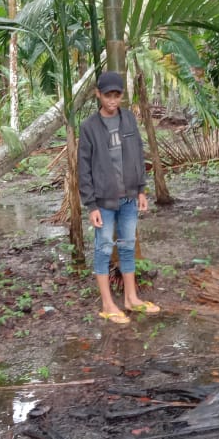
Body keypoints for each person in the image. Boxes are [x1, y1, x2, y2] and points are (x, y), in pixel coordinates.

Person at [78, 70, 160, 324]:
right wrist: (90, 204)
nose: (113, 101)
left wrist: (141, 190)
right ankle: (107, 303)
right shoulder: (89, 127)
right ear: (98, 95)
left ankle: (131, 298)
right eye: (108, 96)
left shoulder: (128, 120)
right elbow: (84, 167)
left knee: (126, 246)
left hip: (129, 198)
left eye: (117, 96)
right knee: (103, 249)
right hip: (103, 201)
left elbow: (137, 154)